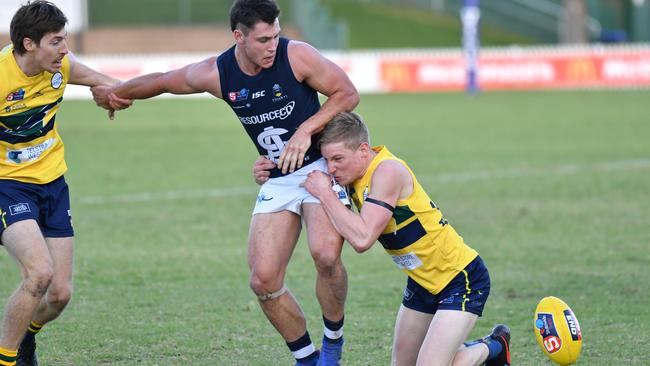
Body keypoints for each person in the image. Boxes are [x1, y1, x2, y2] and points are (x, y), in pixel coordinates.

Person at [93, 1, 359, 365]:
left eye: (276, 36)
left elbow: (347, 93)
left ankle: (333, 345)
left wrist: (305, 130)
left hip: (318, 168)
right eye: (264, 39)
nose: (272, 46)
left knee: (326, 255)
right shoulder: (216, 74)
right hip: (278, 177)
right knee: (263, 281)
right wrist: (117, 93)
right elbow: (163, 81)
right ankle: (307, 359)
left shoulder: (297, 56)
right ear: (239, 36)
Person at [295, 112, 511, 366]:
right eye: (327, 160)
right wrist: (268, 172)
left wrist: (324, 194)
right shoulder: (350, 174)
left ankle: (494, 347)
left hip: (459, 278)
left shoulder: (387, 171)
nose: (331, 168)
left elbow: (363, 239)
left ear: (364, 149)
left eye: (338, 159)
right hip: (421, 282)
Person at [0, 2, 131, 366]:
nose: (64, 50)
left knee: (58, 294)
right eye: (56, 42)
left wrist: (113, 95)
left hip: (53, 185)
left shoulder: (61, 67)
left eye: (65, 41)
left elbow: (108, 83)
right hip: (8, 186)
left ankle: (26, 337)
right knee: (39, 273)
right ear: (29, 44)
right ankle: (5, 359)